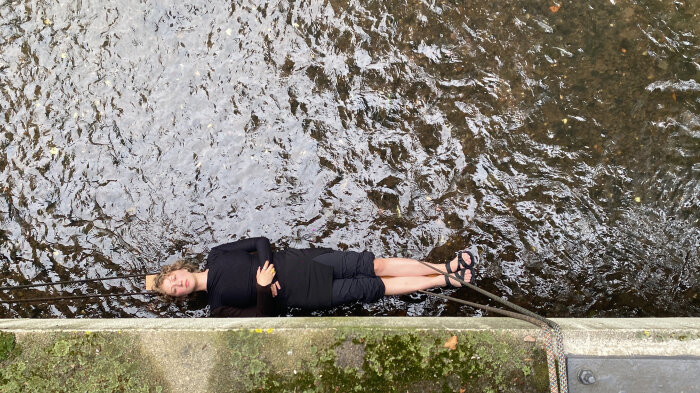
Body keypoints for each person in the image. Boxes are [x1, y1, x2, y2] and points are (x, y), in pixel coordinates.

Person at [153, 237, 476, 317]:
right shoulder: (217, 308)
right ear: (180, 296)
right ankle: (445, 281)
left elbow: (261, 243)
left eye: (173, 278)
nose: (178, 283)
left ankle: (444, 268)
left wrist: (267, 267)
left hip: (304, 262)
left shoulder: (216, 255)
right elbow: (263, 314)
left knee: (375, 265)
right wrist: (264, 287)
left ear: (179, 269)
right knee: (377, 286)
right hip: (308, 296)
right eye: (174, 289)